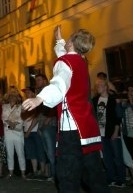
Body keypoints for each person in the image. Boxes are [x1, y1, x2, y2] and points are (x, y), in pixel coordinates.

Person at [22, 25, 108, 193]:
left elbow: (60, 82)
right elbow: (66, 58)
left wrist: (40, 98)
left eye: (68, 40)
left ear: (71, 44)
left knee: (67, 176)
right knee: (94, 175)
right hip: (87, 128)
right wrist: (59, 40)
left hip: (71, 130)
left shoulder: (66, 63)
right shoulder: (81, 61)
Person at [93, 77, 125, 187]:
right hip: (101, 133)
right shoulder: (95, 100)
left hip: (112, 131)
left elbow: (117, 117)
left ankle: (121, 179)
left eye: (100, 85)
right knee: (106, 157)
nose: (97, 87)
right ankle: (111, 178)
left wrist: (116, 131)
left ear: (106, 86)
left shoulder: (113, 100)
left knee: (117, 156)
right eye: (96, 85)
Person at [2, 88, 26, 179]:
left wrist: (14, 123)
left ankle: (23, 173)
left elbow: (21, 119)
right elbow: (3, 118)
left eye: (14, 96)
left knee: (20, 153)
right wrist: (10, 123)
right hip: (8, 132)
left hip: (18, 133)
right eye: (11, 96)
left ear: (17, 98)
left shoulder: (21, 107)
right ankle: (10, 172)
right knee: (9, 153)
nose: (12, 98)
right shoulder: (4, 106)